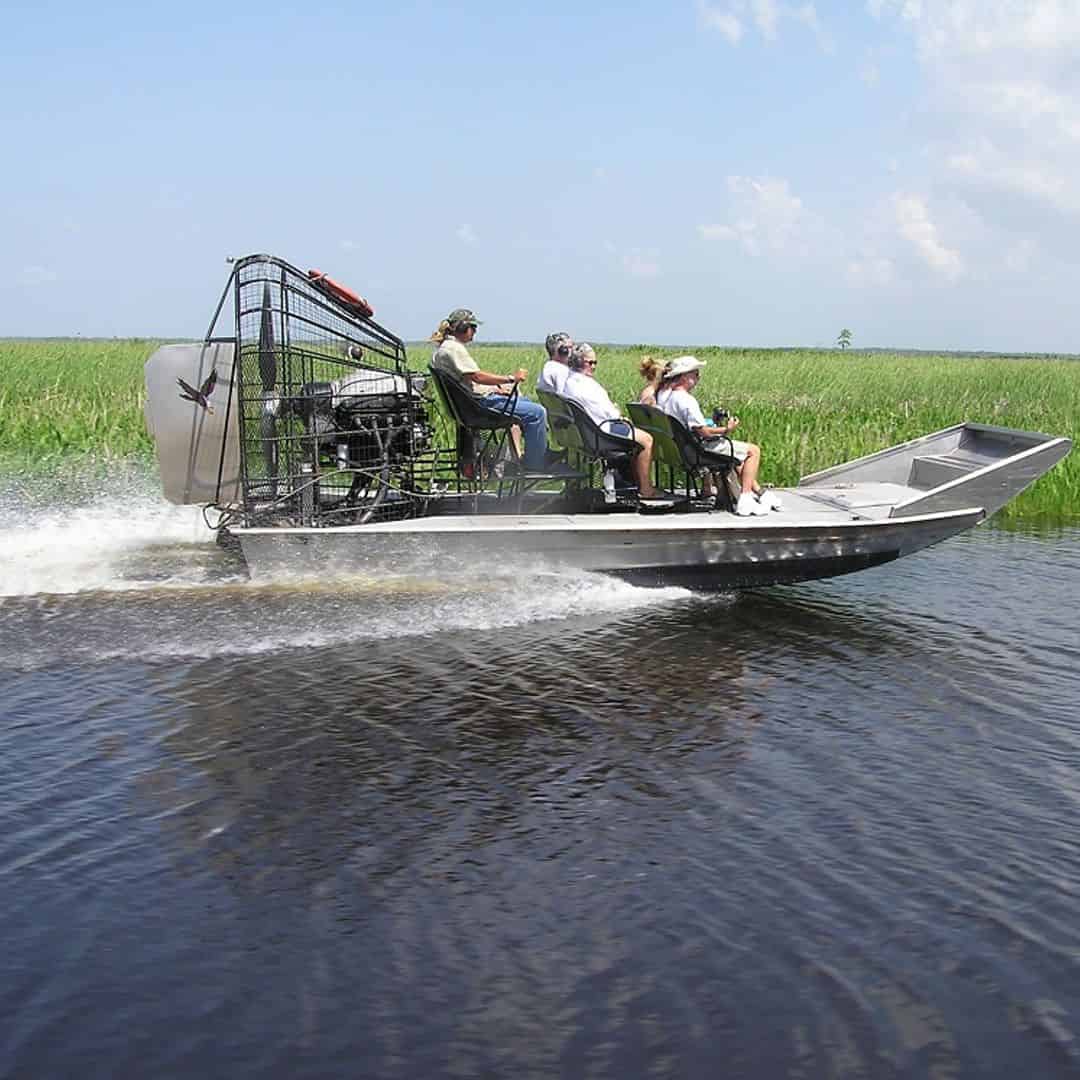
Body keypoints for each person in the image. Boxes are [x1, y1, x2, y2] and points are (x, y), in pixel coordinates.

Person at [653, 355, 780, 516]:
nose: (698, 378)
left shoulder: (667, 398)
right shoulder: (686, 400)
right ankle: (746, 498)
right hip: (699, 451)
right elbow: (703, 432)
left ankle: (759, 494)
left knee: (737, 453)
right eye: (695, 374)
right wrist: (726, 429)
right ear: (685, 377)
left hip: (683, 449)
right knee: (753, 451)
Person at [430, 308, 549, 473]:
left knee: (526, 402)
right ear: (464, 328)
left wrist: (495, 388)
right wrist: (510, 378)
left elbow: (466, 383)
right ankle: (536, 466)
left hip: (472, 403)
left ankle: (527, 456)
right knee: (537, 413)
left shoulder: (445, 348)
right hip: (479, 406)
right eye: (473, 328)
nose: (475, 332)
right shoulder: (453, 349)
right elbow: (476, 377)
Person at [562, 342, 662, 500]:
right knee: (647, 439)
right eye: (590, 362)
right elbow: (609, 412)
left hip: (590, 431)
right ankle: (645, 489)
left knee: (638, 437)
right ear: (580, 362)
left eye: (595, 362)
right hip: (602, 432)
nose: (594, 366)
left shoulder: (569, 382)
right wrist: (619, 415)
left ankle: (637, 484)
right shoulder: (586, 385)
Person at [536, 331, 574, 396]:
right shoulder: (560, 370)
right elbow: (563, 396)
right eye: (569, 347)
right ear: (563, 351)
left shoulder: (548, 366)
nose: (573, 351)